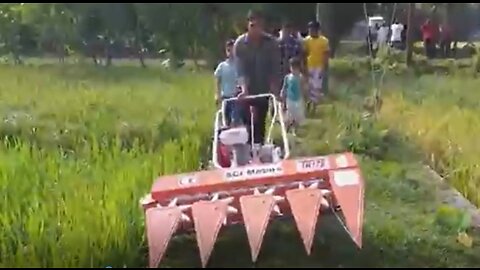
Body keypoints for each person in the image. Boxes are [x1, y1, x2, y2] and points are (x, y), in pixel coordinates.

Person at [233, 9, 280, 145]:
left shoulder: (271, 44)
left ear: (262, 26)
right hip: (244, 91)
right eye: (252, 25)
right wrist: (244, 88)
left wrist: (275, 88)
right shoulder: (240, 44)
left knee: (260, 122)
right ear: (248, 25)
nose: (255, 29)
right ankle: (245, 150)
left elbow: (275, 67)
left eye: (258, 25)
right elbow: (240, 69)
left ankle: (260, 148)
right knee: (246, 122)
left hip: (263, 89)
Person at [303, 21, 329, 115]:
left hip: (319, 67)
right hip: (309, 66)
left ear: (317, 30)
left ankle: (314, 107)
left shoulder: (324, 41)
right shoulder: (306, 40)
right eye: (310, 29)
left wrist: (324, 68)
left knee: (316, 88)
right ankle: (307, 106)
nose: (311, 31)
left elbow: (326, 55)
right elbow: (304, 54)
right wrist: (304, 67)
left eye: (313, 29)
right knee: (308, 87)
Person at [214, 39, 240, 126]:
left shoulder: (239, 65)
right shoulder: (222, 66)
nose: (230, 53)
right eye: (228, 50)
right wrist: (217, 94)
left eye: (232, 50)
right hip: (225, 97)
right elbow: (217, 80)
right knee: (226, 121)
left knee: (235, 119)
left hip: (236, 97)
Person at [280, 57, 306, 136]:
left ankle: (294, 129)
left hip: (298, 99)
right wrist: (282, 93)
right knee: (289, 114)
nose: (294, 70)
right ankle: (286, 128)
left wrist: (305, 96)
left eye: (295, 68)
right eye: (292, 68)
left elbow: (303, 87)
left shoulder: (301, 77)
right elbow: (285, 86)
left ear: (299, 68)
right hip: (290, 99)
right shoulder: (288, 77)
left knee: (297, 116)